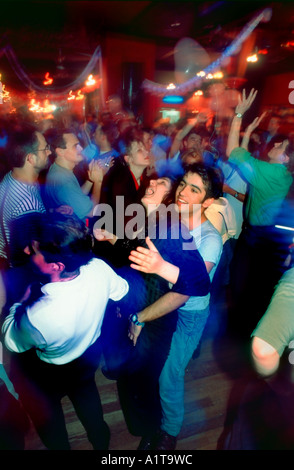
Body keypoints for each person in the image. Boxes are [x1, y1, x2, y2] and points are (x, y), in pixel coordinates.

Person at [94, 173, 211, 450]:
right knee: (130, 375)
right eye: (154, 180)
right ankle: (142, 423)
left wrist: (140, 318)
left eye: (162, 184)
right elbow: (135, 251)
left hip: (153, 320)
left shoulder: (172, 229)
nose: (152, 184)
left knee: (143, 381)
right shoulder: (146, 219)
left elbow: (197, 284)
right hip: (134, 310)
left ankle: (151, 432)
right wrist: (111, 238)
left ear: (169, 199)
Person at [1, 214, 129, 450]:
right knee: (88, 400)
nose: (28, 251)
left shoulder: (39, 315)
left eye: (35, 249)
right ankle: (101, 445)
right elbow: (122, 290)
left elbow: (11, 341)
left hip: (50, 373)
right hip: (88, 357)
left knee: (51, 422)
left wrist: (18, 304)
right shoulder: (98, 267)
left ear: (57, 266)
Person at [128, 163, 223, 449]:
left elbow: (186, 291)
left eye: (195, 189)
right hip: (163, 307)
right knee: (155, 365)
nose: (183, 192)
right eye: (183, 184)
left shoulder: (210, 240)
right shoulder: (173, 219)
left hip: (188, 315)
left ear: (208, 201)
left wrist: (140, 317)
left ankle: (169, 432)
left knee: (170, 374)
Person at [226, 89, 294, 337]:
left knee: (244, 284)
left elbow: (232, 153)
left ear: (286, 158)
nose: (275, 144)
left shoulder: (271, 172)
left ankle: (242, 333)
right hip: (270, 239)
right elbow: (241, 163)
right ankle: (250, 329)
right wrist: (248, 133)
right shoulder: (281, 174)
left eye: (281, 145)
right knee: (257, 287)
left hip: (258, 239)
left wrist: (239, 114)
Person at [99, 126, 152, 236]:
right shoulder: (120, 182)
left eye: (145, 149)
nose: (146, 152)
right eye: (139, 150)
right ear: (128, 159)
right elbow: (126, 224)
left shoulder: (144, 179)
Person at [44, 128, 105, 222]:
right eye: (75, 146)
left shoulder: (58, 169)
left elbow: (76, 195)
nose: (81, 148)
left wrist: (91, 179)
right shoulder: (64, 181)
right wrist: (98, 182)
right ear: (60, 152)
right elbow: (92, 212)